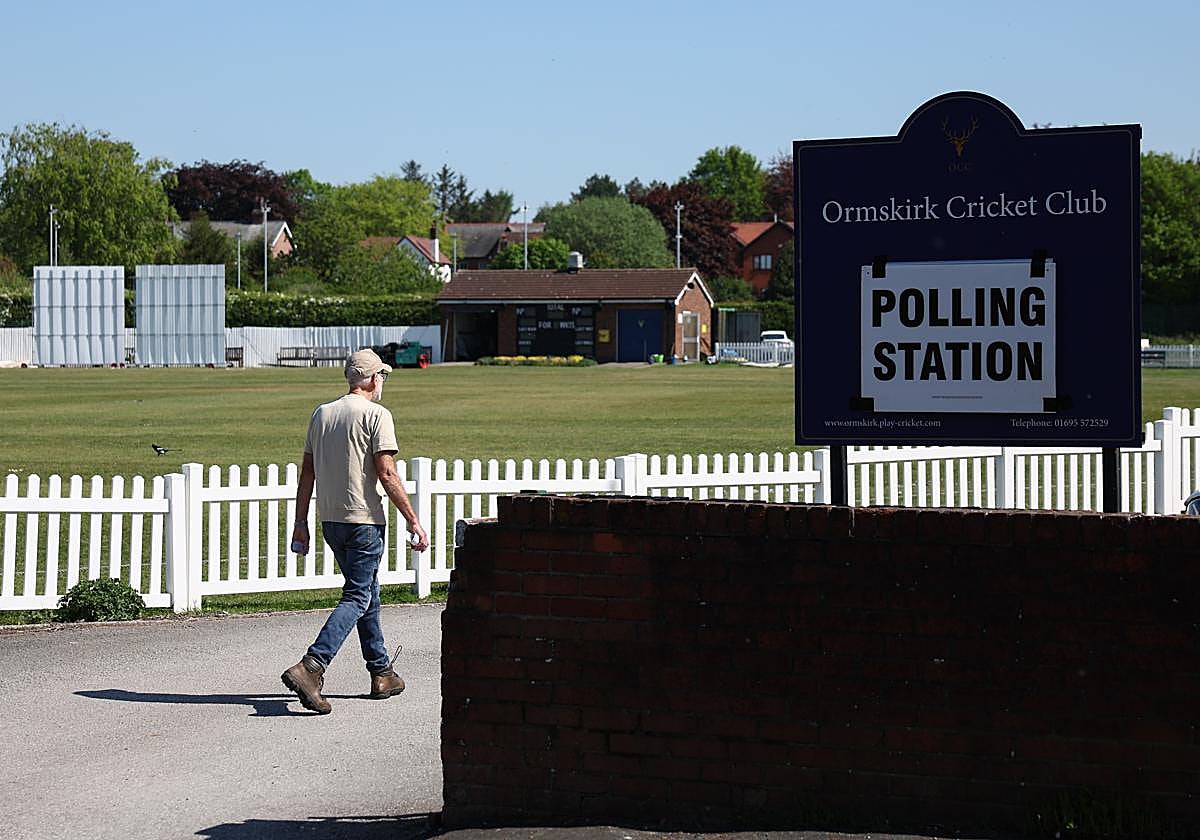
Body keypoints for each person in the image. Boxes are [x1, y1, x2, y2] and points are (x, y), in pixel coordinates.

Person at [281, 348, 429, 715]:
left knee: (367, 594)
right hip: (364, 520)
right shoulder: (377, 415)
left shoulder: (322, 414)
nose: (383, 383)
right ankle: (312, 666)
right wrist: (413, 520)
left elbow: (307, 474)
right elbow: (387, 473)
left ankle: (381, 672)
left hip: (331, 521)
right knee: (358, 596)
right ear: (373, 378)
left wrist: (300, 523)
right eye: (383, 376)